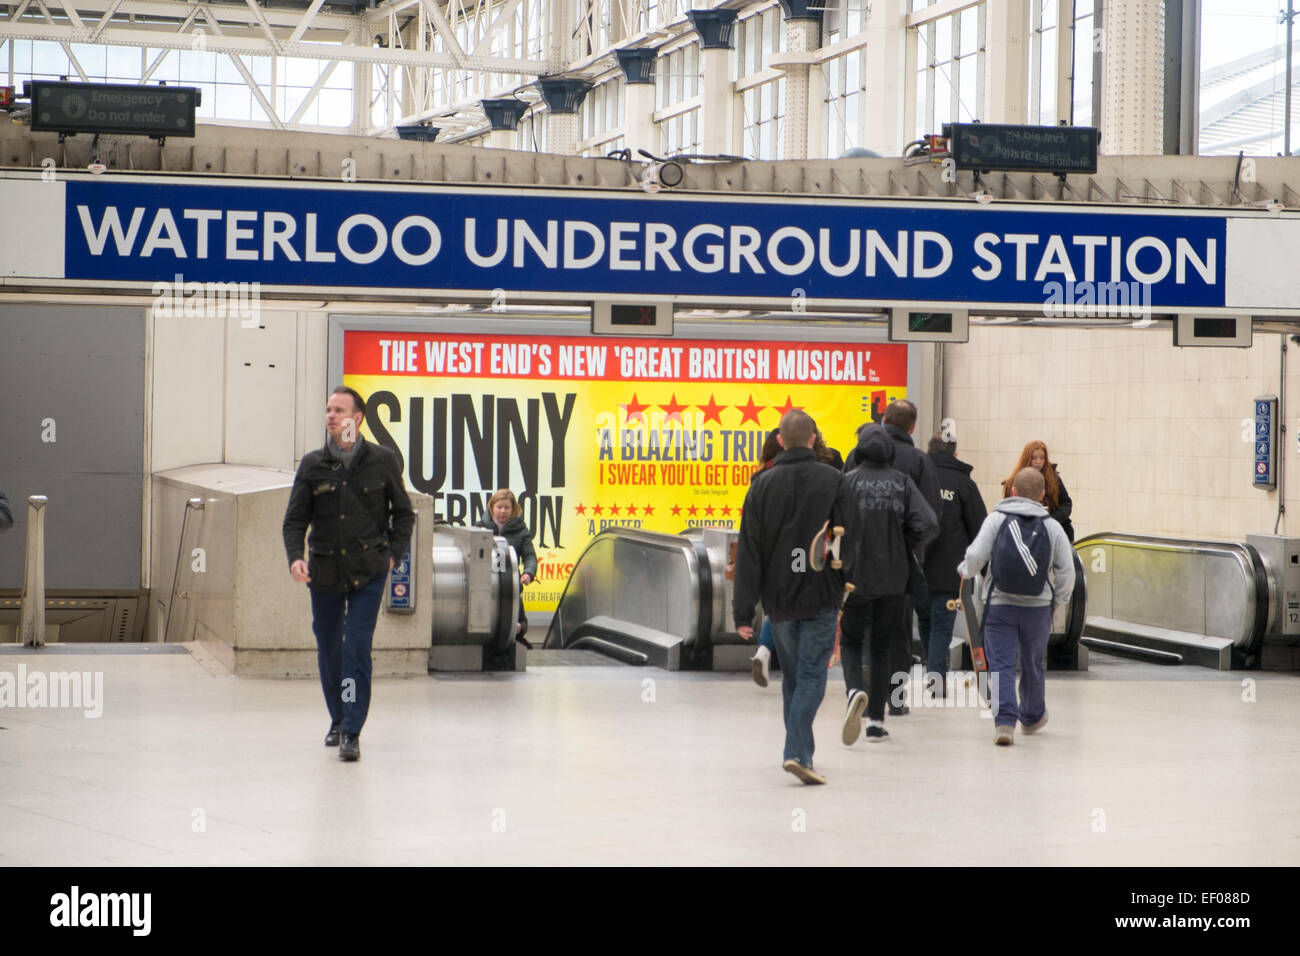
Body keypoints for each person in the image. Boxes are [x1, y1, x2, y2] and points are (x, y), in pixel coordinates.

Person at [283, 386, 415, 763]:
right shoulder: (312, 465)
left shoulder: (383, 461)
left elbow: (403, 513)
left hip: (368, 572)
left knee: (356, 647)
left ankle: (352, 730)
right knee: (329, 648)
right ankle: (337, 718)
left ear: (357, 418)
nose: (330, 415)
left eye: (338, 409)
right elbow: (294, 520)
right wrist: (295, 558)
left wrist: (392, 555)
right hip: (323, 570)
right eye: (327, 409)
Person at [734, 409, 849, 785]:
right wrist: (848, 580)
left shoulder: (761, 485)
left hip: (778, 599)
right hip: (821, 592)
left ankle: (803, 753)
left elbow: (749, 551)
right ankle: (796, 752)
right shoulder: (834, 480)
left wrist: (743, 610)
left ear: (780, 440)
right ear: (813, 439)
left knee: (794, 678)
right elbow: (846, 537)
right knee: (813, 674)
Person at [959, 466, 1075, 745]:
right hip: (1038, 608)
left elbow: (976, 555)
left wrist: (964, 571)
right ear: (1043, 494)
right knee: (1033, 662)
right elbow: (1067, 572)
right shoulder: (1052, 526)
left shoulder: (996, 520)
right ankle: (1033, 717)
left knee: (1001, 663)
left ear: (1012, 491)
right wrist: (1057, 601)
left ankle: (1004, 723)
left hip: (1000, 604)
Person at [837, 425, 937, 745]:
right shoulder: (902, 483)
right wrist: (909, 545)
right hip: (894, 579)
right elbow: (929, 523)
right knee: (882, 645)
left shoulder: (846, 483)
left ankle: (854, 690)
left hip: (854, 578)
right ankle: (876, 722)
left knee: (852, 641)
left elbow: (831, 530)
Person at [920, 435, 987, 697]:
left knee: (925, 621)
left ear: (927, 452)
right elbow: (979, 526)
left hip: (919, 565)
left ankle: (934, 670)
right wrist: (980, 565)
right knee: (941, 625)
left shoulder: (918, 479)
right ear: (955, 454)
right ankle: (936, 677)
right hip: (951, 569)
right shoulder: (963, 484)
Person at [475, 489, 537, 655]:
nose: (502, 511)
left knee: (517, 625)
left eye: (507, 508)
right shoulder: (479, 528)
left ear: (513, 509)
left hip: (511, 587)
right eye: (499, 507)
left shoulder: (522, 531)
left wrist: (528, 573)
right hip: (485, 588)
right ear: (492, 508)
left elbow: (530, 556)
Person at [748, 428, 782, 687]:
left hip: (767, 555)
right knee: (790, 610)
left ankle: (764, 650)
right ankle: (770, 652)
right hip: (796, 554)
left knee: (775, 607)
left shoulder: (760, 476)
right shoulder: (800, 474)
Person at [1002, 440, 1074, 542]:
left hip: (1056, 532)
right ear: (1027, 459)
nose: (1038, 461)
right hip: (1026, 535)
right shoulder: (1014, 481)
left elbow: (1066, 503)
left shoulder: (1053, 477)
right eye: (1034, 458)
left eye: (1042, 458)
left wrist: (1051, 520)